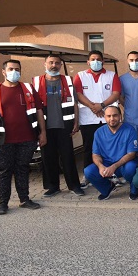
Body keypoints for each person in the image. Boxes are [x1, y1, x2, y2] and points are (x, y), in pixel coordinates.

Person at [0, 60, 46, 215]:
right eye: (10, 69)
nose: (14, 72)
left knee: (22, 168)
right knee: (4, 171)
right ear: (3, 72)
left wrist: (43, 132)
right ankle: (3, 203)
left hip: (27, 138)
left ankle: (24, 199)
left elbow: (39, 111)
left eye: (17, 69)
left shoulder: (28, 88)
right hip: (3, 140)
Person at [33, 54, 83, 197]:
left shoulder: (68, 80)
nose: (53, 65)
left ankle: (74, 185)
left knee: (68, 157)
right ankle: (52, 186)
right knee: (48, 158)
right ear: (45, 64)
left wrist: (76, 121)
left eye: (57, 63)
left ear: (61, 65)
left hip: (64, 126)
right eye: (51, 62)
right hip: (45, 127)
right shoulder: (36, 82)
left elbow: (74, 103)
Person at [74, 50, 121, 187]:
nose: (96, 62)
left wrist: (102, 106)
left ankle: (112, 175)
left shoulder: (111, 75)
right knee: (88, 148)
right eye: (93, 59)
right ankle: (88, 176)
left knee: (109, 148)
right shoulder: (80, 76)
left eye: (98, 59)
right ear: (88, 62)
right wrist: (92, 106)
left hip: (107, 118)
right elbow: (78, 94)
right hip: (88, 119)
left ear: (103, 61)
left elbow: (116, 93)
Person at [83, 106, 138, 200]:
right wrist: (100, 166)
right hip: (106, 165)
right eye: (109, 116)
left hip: (123, 164)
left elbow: (131, 154)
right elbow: (96, 154)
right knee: (88, 171)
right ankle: (107, 188)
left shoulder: (129, 130)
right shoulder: (99, 132)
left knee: (131, 168)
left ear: (120, 116)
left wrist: (114, 166)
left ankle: (134, 189)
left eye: (115, 115)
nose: (112, 118)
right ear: (104, 117)